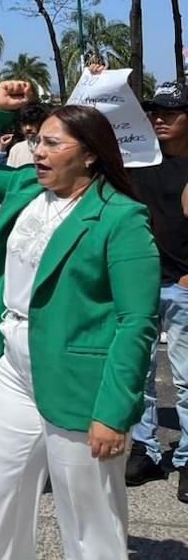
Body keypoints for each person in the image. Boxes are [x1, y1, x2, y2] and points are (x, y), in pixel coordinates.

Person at [0, 81, 160, 558]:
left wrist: (113, 411)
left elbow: (137, 321)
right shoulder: (25, 186)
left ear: (89, 155)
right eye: (36, 141)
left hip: (80, 377)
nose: (37, 151)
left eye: (52, 143)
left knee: (87, 508)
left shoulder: (120, 217)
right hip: (15, 360)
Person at [128, 81, 188, 504]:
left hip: (184, 289)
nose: (159, 118)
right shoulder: (141, 158)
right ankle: (145, 449)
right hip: (143, 286)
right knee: (138, 373)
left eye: (170, 112)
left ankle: (187, 458)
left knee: (187, 380)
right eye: (155, 111)